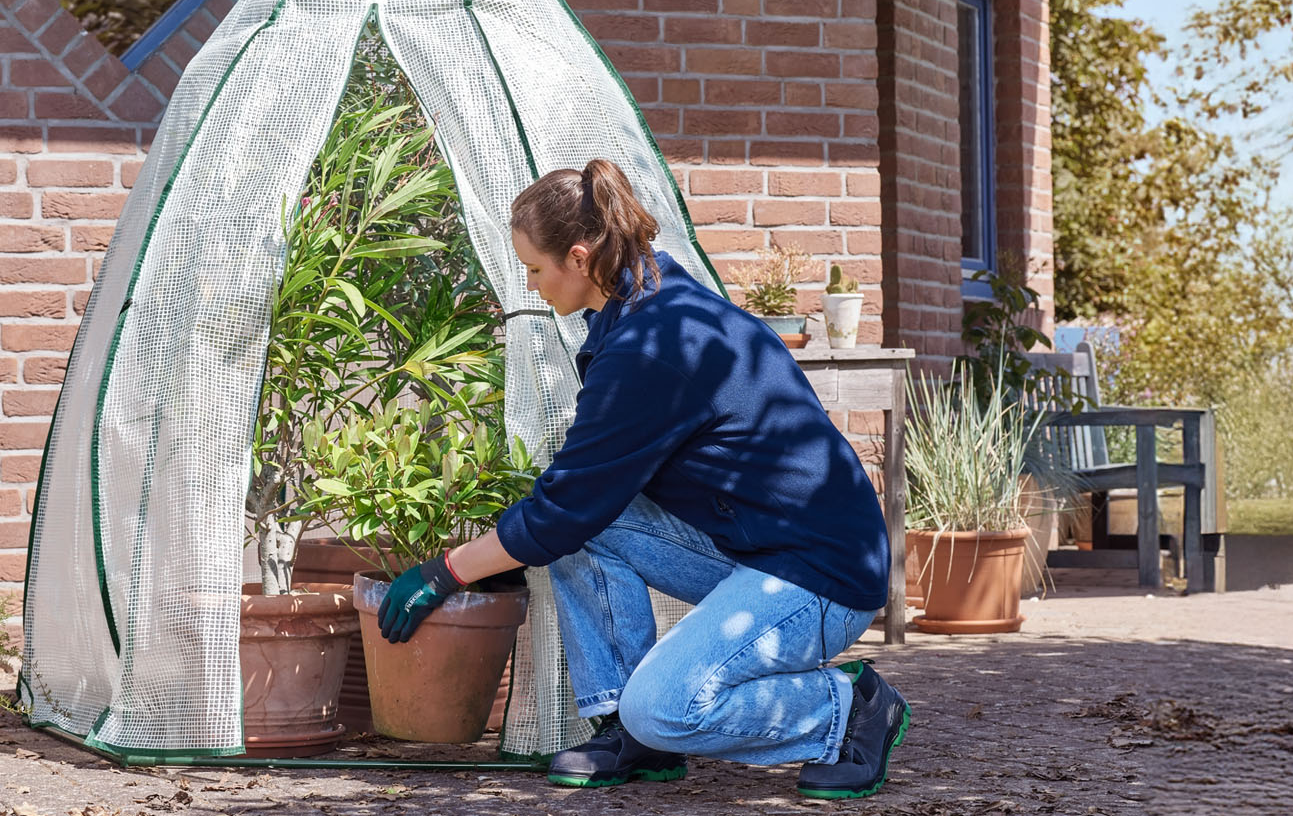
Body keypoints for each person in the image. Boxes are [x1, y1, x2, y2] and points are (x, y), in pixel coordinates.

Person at [370, 158, 909, 800]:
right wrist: (503, 552)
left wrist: (447, 572)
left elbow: (565, 508)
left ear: (577, 257)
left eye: (535, 270)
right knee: (586, 529)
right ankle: (627, 730)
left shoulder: (651, 347)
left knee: (668, 704)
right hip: (753, 545)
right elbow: (580, 505)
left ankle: (847, 710)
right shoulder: (645, 302)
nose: (531, 286)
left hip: (820, 575)